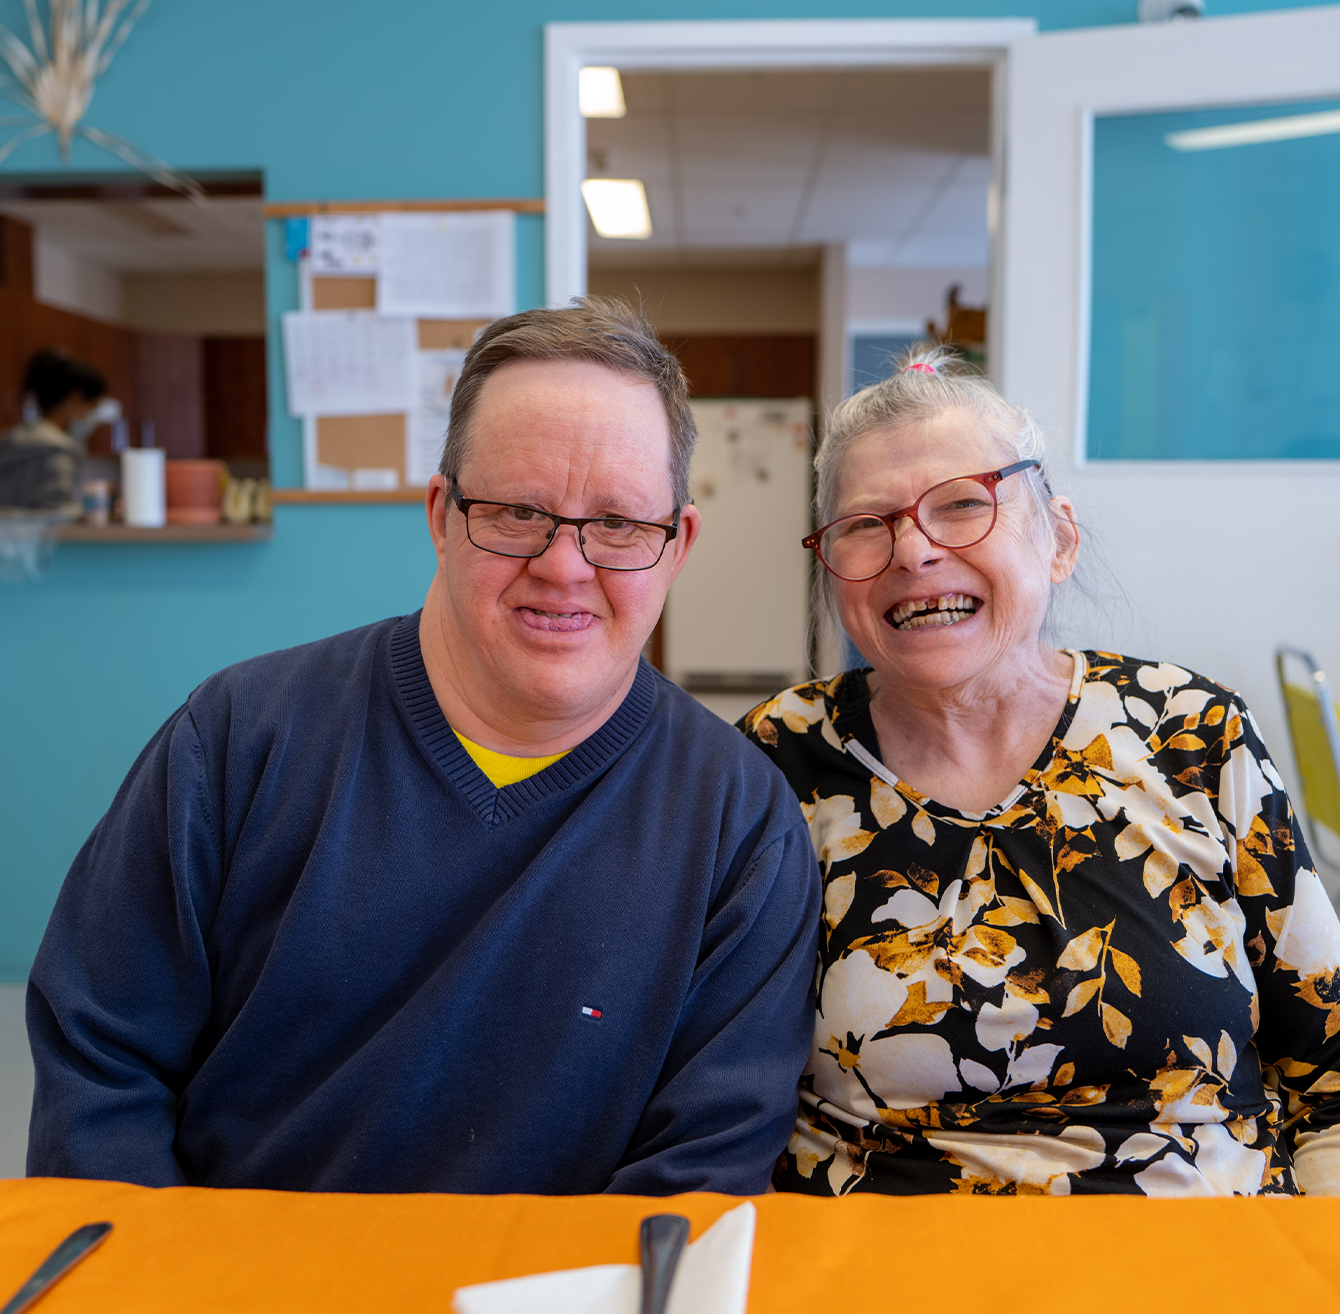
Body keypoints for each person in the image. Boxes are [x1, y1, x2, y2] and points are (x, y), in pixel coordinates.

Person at [27, 298, 820, 1195]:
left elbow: (702, 1173)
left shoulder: (739, 825)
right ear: (441, 515)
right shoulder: (238, 740)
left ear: (675, 545)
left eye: (618, 525)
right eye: (518, 512)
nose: (564, 565)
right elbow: (100, 1068)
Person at [743, 347, 1340, 1197]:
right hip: (888, 1265)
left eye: (961, 506)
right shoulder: (777, 758)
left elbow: (1335, 1077)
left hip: (1204, 1258)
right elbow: (723, 1091)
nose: (912, 552)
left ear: (1058, 538)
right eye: (864, 525)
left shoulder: (1193, 731)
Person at [0, 350, 108, 510]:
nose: (92, 418)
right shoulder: (58, 449)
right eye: (92, 408)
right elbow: (58, 515)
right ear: (75, 398)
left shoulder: (11, 439)